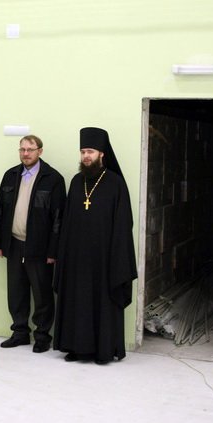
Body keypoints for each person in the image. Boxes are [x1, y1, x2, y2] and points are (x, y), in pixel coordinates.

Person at [53, 127, 137, 364]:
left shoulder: (115, 183)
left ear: (101, 154)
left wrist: (116, 255)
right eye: (82, 152)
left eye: (90, 152)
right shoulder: (76, 182)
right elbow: (67, 221)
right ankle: (74, 347)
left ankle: (103, 350)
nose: (85, 156)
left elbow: (123, 223)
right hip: (76, 258)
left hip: (104, 258)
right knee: (76, 301)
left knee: (102, 303)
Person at [0, 135, 66, 353]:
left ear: (40, 151)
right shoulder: (10, 175)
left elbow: (58, 218)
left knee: (42, 294)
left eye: (30, 150)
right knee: (16, 292)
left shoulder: (53, 179)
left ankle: (42, 336)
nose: (25, 154)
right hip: (14, 244)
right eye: (22, 149)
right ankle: (20, 332)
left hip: (39, 248)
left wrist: (53, 250)